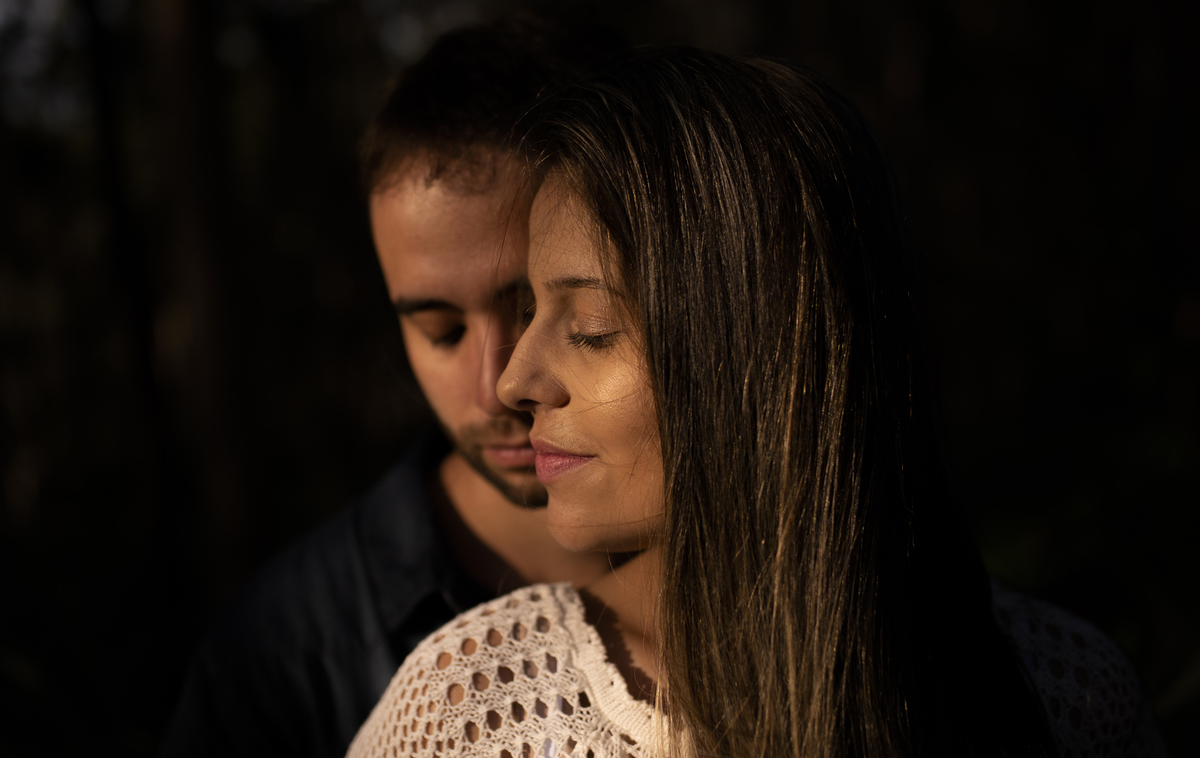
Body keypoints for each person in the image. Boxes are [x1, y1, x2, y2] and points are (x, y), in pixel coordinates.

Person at [346, 48, 1166, 757]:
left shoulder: (1066, 694)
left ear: (758, 352)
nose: (513, 381)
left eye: (590, 329)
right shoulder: (472, 712)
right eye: (536, 312)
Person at [158, 15, 625, 758]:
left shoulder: (777, 561)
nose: (495, 389)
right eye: (440, 331)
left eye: (534, 307)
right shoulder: (281, 664)